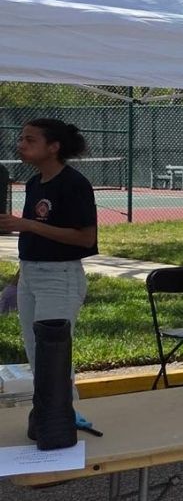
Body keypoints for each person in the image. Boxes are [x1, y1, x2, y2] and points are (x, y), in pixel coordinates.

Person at [0, 120, 96, 423]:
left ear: (53, 147)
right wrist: (17, 280)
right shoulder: (34, 183)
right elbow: (33, 237)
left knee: (53, 354)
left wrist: (27, 224)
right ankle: (47, 411)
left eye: (30, 140)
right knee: (36, 351)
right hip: (31, 274)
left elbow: (85, 238)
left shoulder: (74, 184)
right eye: (21, 139)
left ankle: (64, 413)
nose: (21, 145)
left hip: (60, 277)